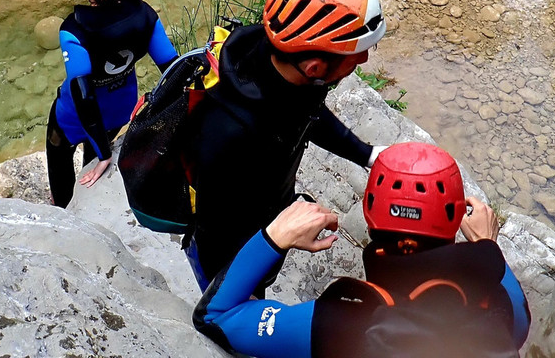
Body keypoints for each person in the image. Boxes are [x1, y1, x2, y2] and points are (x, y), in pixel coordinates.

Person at [193, 142, 531, 358]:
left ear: (368, 216)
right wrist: (487, 247)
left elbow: (216, 316)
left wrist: (274, 237)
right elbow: (520, 321)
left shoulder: (341, 323)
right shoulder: (499, 305)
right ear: (457, 217)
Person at [180, 0, 390, 293]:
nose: (362, 62)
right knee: (237, 301)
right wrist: (278, 238)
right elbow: (216, 230)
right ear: (315, 67)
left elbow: (308, 113)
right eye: (357, 56)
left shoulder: (283, 64)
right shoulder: (228, 131)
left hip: (265, 205)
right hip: (226, 246)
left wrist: (368, 155)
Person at [46, 0, 178, 208]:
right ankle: (92, 165)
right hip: (121, 109)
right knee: (95, 149)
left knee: (57, 148)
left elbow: (82, 94)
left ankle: (61, 204)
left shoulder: (75, 29)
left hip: (75, 118)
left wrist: (106, 155)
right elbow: (173, 70)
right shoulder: (144, 15)